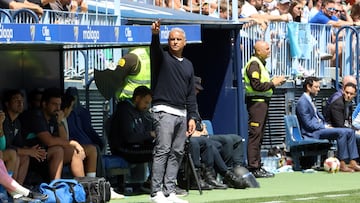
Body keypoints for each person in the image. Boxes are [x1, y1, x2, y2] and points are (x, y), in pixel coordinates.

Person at [150, 20, 197, 203]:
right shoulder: (162, 58)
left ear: (184, 42)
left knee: (177, 152)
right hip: (163, 111)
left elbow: (190, 94)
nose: (175, 42)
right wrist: (155, 36)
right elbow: (155, 51)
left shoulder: (188, 65)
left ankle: (169, 191)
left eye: (178, 39)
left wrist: (192, 116)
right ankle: (156, 192)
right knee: (162, 150)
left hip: (182, 113)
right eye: (171, 39)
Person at [296, 76, 360, 172]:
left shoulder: (309, 100)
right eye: (316, 87)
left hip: (320, 129)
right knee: (342, 132)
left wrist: (325, 125)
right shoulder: (303, 102)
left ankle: (353, 162)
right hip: (312, 133)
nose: (319, 89)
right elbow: (308, 124)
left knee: (350, 131)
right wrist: (325, 126)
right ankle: (342, 163)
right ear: (309, 87)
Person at [20, 87, 86, 181]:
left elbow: (64, 139)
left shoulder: (53, 118)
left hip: (42, 154)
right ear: (44, 104)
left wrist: (59, 122)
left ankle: (84, 187)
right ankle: (56, 187)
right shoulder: (36, 116)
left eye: (59, 105)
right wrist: (74, 143)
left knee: (73, 151)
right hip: (29, 155)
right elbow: (49, 141)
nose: (58, 108)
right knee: (57, 150)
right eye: (54, 104)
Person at [242, 40, 286, 178]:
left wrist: (273, 82)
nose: (269, 50)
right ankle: (254, 167)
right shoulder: (254, 64)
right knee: (255, 135)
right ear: (258, 51)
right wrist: (273, 83)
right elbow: (256, 86)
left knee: (259, 136)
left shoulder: (259, 64)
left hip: (261, 103)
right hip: (256, 104)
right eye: (266, 48)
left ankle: (257, 165)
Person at [2, 89, 47, 185]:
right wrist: (28, 151)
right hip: (3, 154)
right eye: (16, 100)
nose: (20, 103)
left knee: (25, 156)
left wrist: (34, 151)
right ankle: (11, 190)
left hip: (9, 154)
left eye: (22, 101)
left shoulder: (17, 122)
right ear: (7, 103)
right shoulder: (3, 119)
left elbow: (19, 144)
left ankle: (18, 191)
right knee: (15, 156)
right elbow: (6, 146)